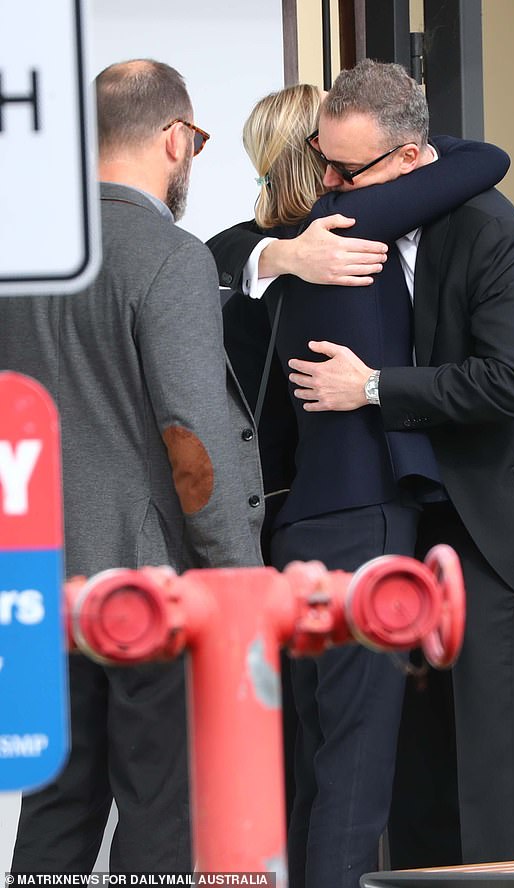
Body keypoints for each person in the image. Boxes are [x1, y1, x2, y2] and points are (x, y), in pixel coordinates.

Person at [272, 59, 514, 867]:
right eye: (325, 163)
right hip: (406, 525)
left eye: (349, 169)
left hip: (493, 527)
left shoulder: (489, 229)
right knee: (413, 764)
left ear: (413, 160)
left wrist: (373, 387)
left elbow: (511, 381)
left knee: (484, 763)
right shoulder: (340, 227)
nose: (333, 185)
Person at [208, 82, 510, 888]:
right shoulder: (348, 233)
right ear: (317, 160)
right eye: (329, 156)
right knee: (353, 770)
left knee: (306, 763)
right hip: (357, 522)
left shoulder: (236, 254)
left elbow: (219, 257)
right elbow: (485, 158)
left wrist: (267, 255)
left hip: (278, 523)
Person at [1, 59, 264, 873]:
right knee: (160, 803)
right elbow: (191, 435)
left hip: (41, 577)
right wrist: (236, 577)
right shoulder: (169, 257)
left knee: (57, 802)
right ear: (174, 137)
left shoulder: (23, 258)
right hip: (149, 589)